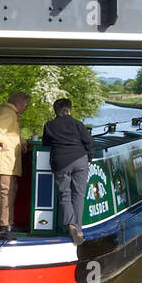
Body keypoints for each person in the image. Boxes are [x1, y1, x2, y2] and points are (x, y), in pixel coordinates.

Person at [41, 97, 93, 244]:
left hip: (61, 161)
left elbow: (45, 143)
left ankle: (70, 224)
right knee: (79, 194)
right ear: (69, 110)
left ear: (55, 111)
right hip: (80, 159)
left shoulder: (49, 125)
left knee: (65, 194)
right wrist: (89, 158)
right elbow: (89, 142)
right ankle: (79, 229)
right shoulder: (77, 124)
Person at [0, 91, 30, 233]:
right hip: (3, 161)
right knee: (7, 190)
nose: (26, 108)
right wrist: (0, 141)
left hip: (7, 161)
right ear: (18, 103)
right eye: (26, 105)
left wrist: (22, 141)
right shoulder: (8, 114)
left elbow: (11, 133)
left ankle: (3, 222)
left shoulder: (11, 114)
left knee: (9, 189)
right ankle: (5, 224)